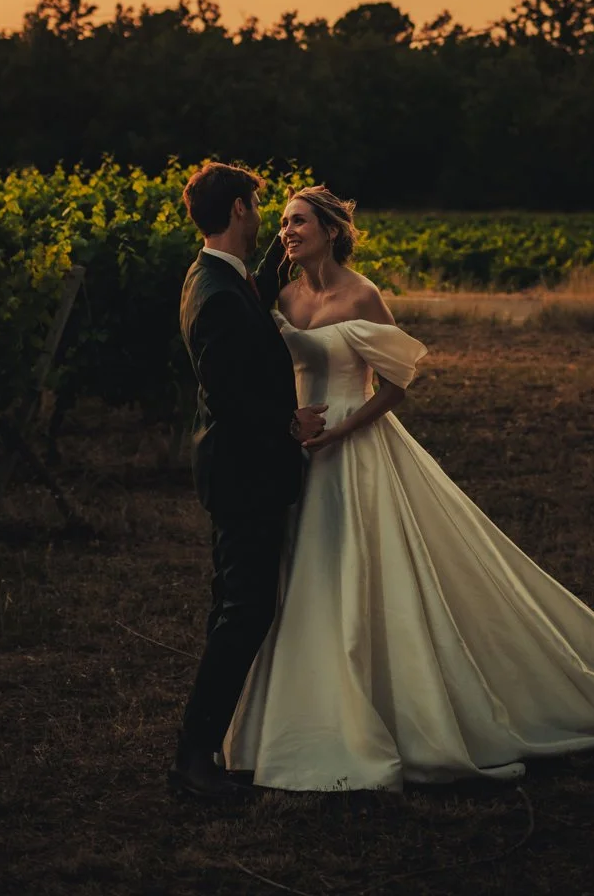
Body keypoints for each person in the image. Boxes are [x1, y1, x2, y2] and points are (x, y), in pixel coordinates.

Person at [225, 185, 594, 793]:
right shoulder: (282, 294)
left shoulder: (362, 294)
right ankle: (307, 711)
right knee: (309, 578)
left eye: (300, 222)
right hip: (302, 452)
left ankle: (385, 710)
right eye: (285, 222)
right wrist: (293, 427)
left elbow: (397, 385)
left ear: (331, 230)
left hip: (354, 447)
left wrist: (342, 428)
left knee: (370, 571)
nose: (288, 231)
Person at [170, 163, 328, 800]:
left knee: (229, 606)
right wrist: (293, 421)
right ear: (239, 209)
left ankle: (204, 746)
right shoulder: (214, 295)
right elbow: (230, 394)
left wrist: (287, 243)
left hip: (237, 471)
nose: (266, 215)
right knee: (246, 611)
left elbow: (251, 307)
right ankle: (192, 757)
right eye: (261, 207)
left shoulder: (219, 276)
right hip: (245, 474)